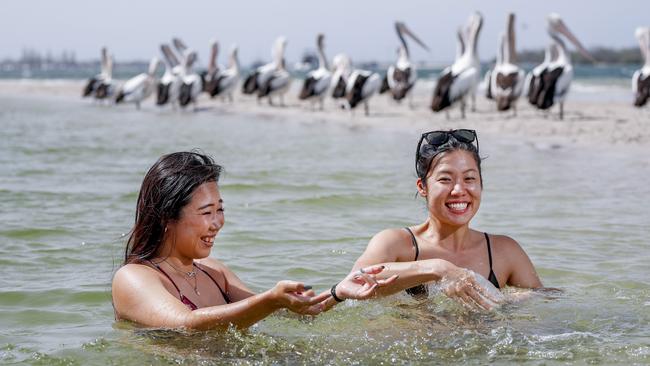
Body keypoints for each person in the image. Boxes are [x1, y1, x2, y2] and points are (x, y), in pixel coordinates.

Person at [111, 151, 393, 330]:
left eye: (220, 210)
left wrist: (338, 292)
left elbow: (295, 313)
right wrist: (271, 299)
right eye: (206, 212)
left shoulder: (214, 271)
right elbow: (185, 325)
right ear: (166, 217)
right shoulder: (134, 277)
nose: (218, 222)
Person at [327, 129, 542, 310]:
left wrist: (508, 300)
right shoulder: (397, 243)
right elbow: (356, 280)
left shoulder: (503, 250)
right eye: (445, 179)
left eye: (469, 178)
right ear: (423, 187)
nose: (459, 190)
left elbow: (547, 300)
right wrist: (438, 268)